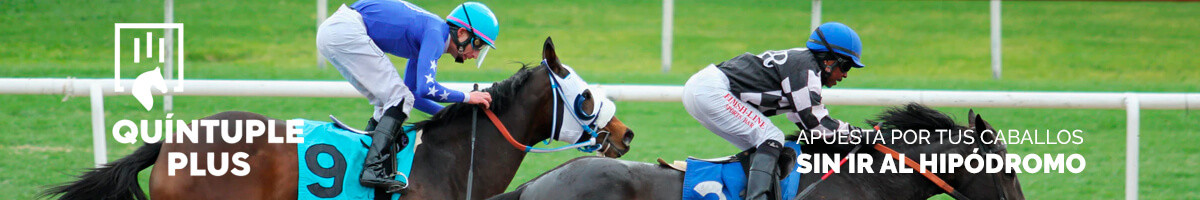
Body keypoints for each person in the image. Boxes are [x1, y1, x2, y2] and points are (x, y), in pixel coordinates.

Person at [315, 0, 498, 192]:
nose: (476, 55)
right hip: (345, 31)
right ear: (461, 33)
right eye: (478, 45)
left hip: (338, 30)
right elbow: (427, 88)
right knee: (398, 98)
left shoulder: (431, 32)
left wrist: (450, 114)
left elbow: (415, 93)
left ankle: (371, 161)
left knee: (393, 100)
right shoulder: (435, 34)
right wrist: (468, 98)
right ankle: (372, 168)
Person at [681, 22, 866, 200]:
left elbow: (803, 122)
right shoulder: (806, 69)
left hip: (704, 88)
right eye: (846, 66)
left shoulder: (804, 64)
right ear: (829, 60)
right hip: (712, 90)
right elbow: (816, 124)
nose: (845, 75)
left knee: (762, 149)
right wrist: (860, 135)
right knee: (772, 138)